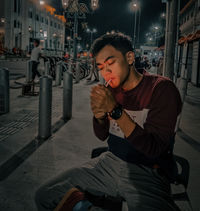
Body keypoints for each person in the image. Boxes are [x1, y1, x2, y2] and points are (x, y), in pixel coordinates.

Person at [35, 33, 182, 211]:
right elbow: (102, 135)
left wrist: (116, 111)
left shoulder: (161, 89)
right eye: (101, 67)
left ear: (129, 58)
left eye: (111, 63)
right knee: (46, 194)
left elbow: (154, 148)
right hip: (109, 162)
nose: (106, 73)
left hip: (148, 171)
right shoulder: (112, 90)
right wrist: (99, 116)